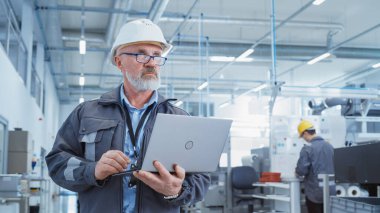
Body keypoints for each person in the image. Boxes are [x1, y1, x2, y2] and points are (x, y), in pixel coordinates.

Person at [46, 19, 210, 213]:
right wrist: (93, 171)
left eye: (157, 55)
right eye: (141, 54)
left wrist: (176, 191)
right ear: (119, 61)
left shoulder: (180, 119)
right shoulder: (86, 113)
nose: (151, 62)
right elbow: (57, 164)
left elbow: (202, 179)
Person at [295, 120, 335, 213]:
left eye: (302, 136)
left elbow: (301, 171)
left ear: (305, 133)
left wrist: (296, 172)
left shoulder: (308, 148)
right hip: (331, 190)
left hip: (314, 192)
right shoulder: (329, 146)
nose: (303, 138)